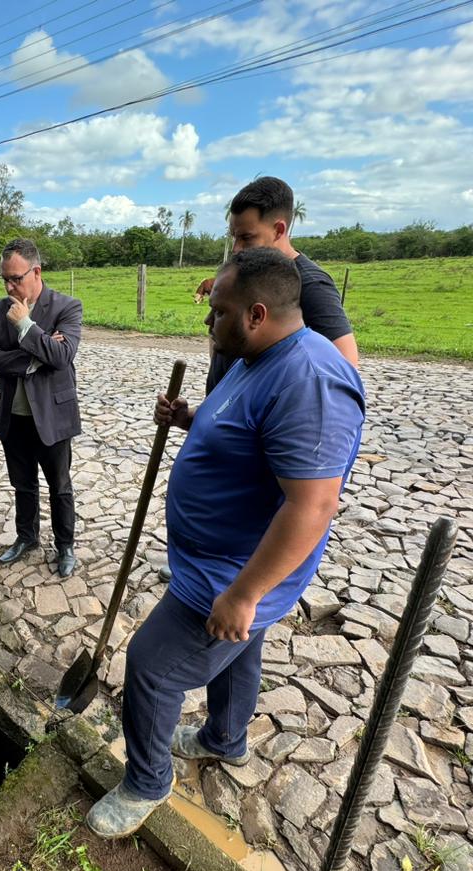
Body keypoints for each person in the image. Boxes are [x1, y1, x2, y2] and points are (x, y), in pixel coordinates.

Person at [86, 248, 365, 838]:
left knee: (152, 669)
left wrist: (244, 594)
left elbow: (312, 504)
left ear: (257, 313)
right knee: (239, 652)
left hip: (233, 573)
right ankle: (225, 739)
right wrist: (190, 420)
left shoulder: (308, 380)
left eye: (218, 312)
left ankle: (146, 782)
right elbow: (246, 433)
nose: (208, 322)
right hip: (220, 562)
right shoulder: (256, 355)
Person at [159, 175, 358, 584]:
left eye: (247, 238)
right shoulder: (250, 275)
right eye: (234, 238)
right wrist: (199, 418)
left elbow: (340, 366)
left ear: (279, 229)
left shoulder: (309, 286)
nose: (237, 249)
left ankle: (247, 583)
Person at [0, 238, 83, 578]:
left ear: (36, 272)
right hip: (14, 417)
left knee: (60, 486)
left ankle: (65, 545)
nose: (10, 286)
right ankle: (27, 537)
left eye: (16, 278)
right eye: (4, 279)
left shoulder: (66, 307)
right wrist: (34, 358)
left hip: (53, 417)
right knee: (22, 483)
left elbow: (62, 356)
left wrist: (25, 324)